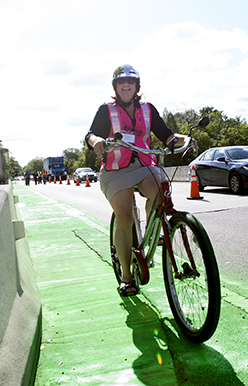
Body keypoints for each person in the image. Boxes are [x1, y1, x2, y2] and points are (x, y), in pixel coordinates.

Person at [85, 64, 193, 296]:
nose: (126, 85)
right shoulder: (107, 110)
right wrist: (95, 141)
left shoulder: (147, 109)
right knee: (124, 214)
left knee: (161, 193)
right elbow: (90, 134)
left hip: (144, 164)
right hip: (115, 169)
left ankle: (152, 233)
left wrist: (183, 138)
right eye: (122, 82)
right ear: (115, 86)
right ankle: (126, 276)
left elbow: (167, 135)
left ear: (137, 86)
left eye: (131, 82)